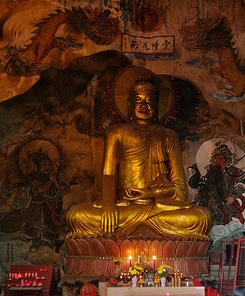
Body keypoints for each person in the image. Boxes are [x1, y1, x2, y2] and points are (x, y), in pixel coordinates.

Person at [66, 73, 211, 240]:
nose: (144, 105)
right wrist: (108, 205)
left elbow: (180, 190)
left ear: (157, 106)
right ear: (129, 104)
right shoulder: (116, 133)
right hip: (124, 207)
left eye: (149, 100)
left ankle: (128, 233)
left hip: (157, 208)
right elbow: (108, 174)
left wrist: (150, 193)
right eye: (139, 100)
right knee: (77, 215)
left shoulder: (168, 136)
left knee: (201, 218)